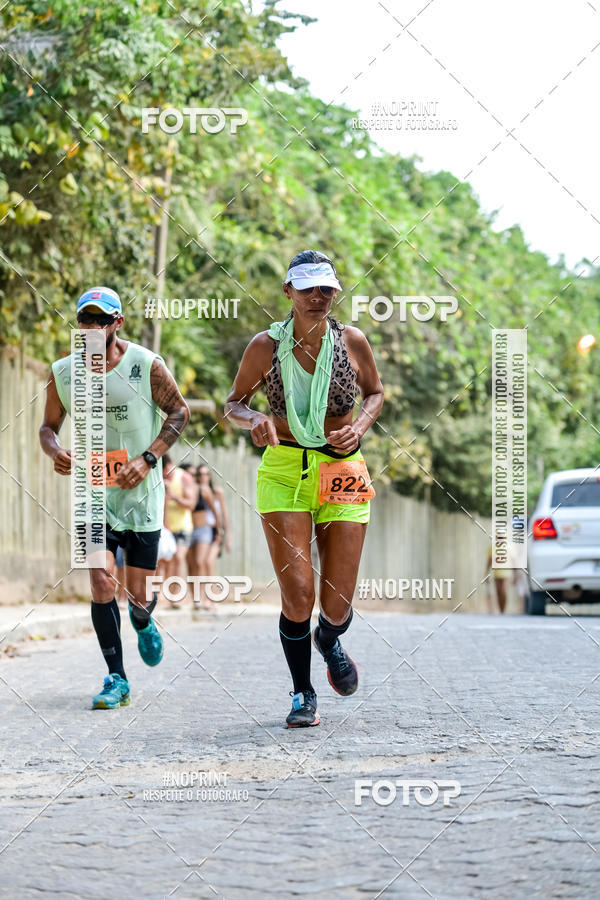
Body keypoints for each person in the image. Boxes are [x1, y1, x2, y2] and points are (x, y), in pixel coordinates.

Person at [225, 250, 384, 727]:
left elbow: (375, 393)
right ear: (287, 291)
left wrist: (360, 425)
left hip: (341, 468)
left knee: (335, 604)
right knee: (297, 593)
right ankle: (302, 694)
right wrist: (253, 418)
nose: (318, 297)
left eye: (326, 289)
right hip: (284, 468)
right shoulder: (265, 347)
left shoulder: (352, 341)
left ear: (336, 292)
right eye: (308, 288)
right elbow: (232, 403)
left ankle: (330, 639)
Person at [39, 286, 190, 709]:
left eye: (100, 320)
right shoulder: (64, 372)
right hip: (92, 494)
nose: (91, 327)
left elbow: (180, 412)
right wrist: (56, 451)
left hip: (142, 494)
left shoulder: (145, 366)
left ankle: (143, 619)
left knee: (136, 597)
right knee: (101, 581)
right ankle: (116, 679)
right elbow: (48, 427)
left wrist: (148, 458)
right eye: (84, 319)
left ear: (116, 324)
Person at [162, 452, 196, 607]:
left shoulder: (184, 478)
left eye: (165, 470)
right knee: (166, 562)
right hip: (166, 528)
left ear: (170, 464)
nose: (164, 474)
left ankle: (176, 597)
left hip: (183, 526)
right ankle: (168, 597)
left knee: (179, 558)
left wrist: (172, 496)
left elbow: (191, 504)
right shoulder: (160, 478)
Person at [189, 465, 222, 609]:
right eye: (199, 474)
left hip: (205, 529)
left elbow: (215, 512)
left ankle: (206, 598)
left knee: (201, 561)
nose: (202, 477)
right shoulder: (191, 489)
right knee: (193, 564)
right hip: (191, 529)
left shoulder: (206, 490)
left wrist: (219, 530)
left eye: (205, 474)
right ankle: (197, 598)